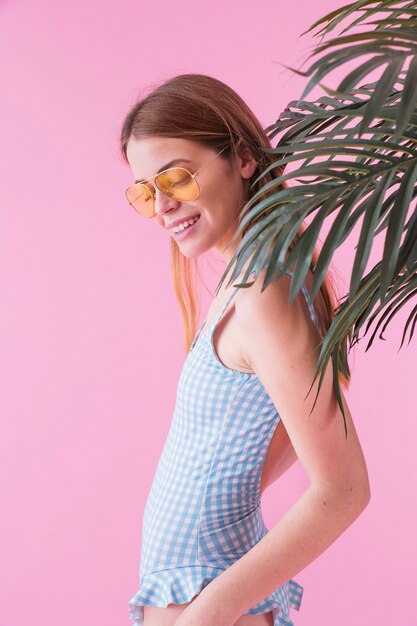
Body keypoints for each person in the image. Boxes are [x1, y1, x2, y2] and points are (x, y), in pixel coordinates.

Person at [119, 73, 371, 626]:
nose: (162, 205)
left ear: (243, 158)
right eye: (144, 191)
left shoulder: (263, 295)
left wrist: (207, 614)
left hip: (208, 596)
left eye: (177, 178)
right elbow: (268, 435)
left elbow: (344, 489)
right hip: (205, 582)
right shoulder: (251, 278)